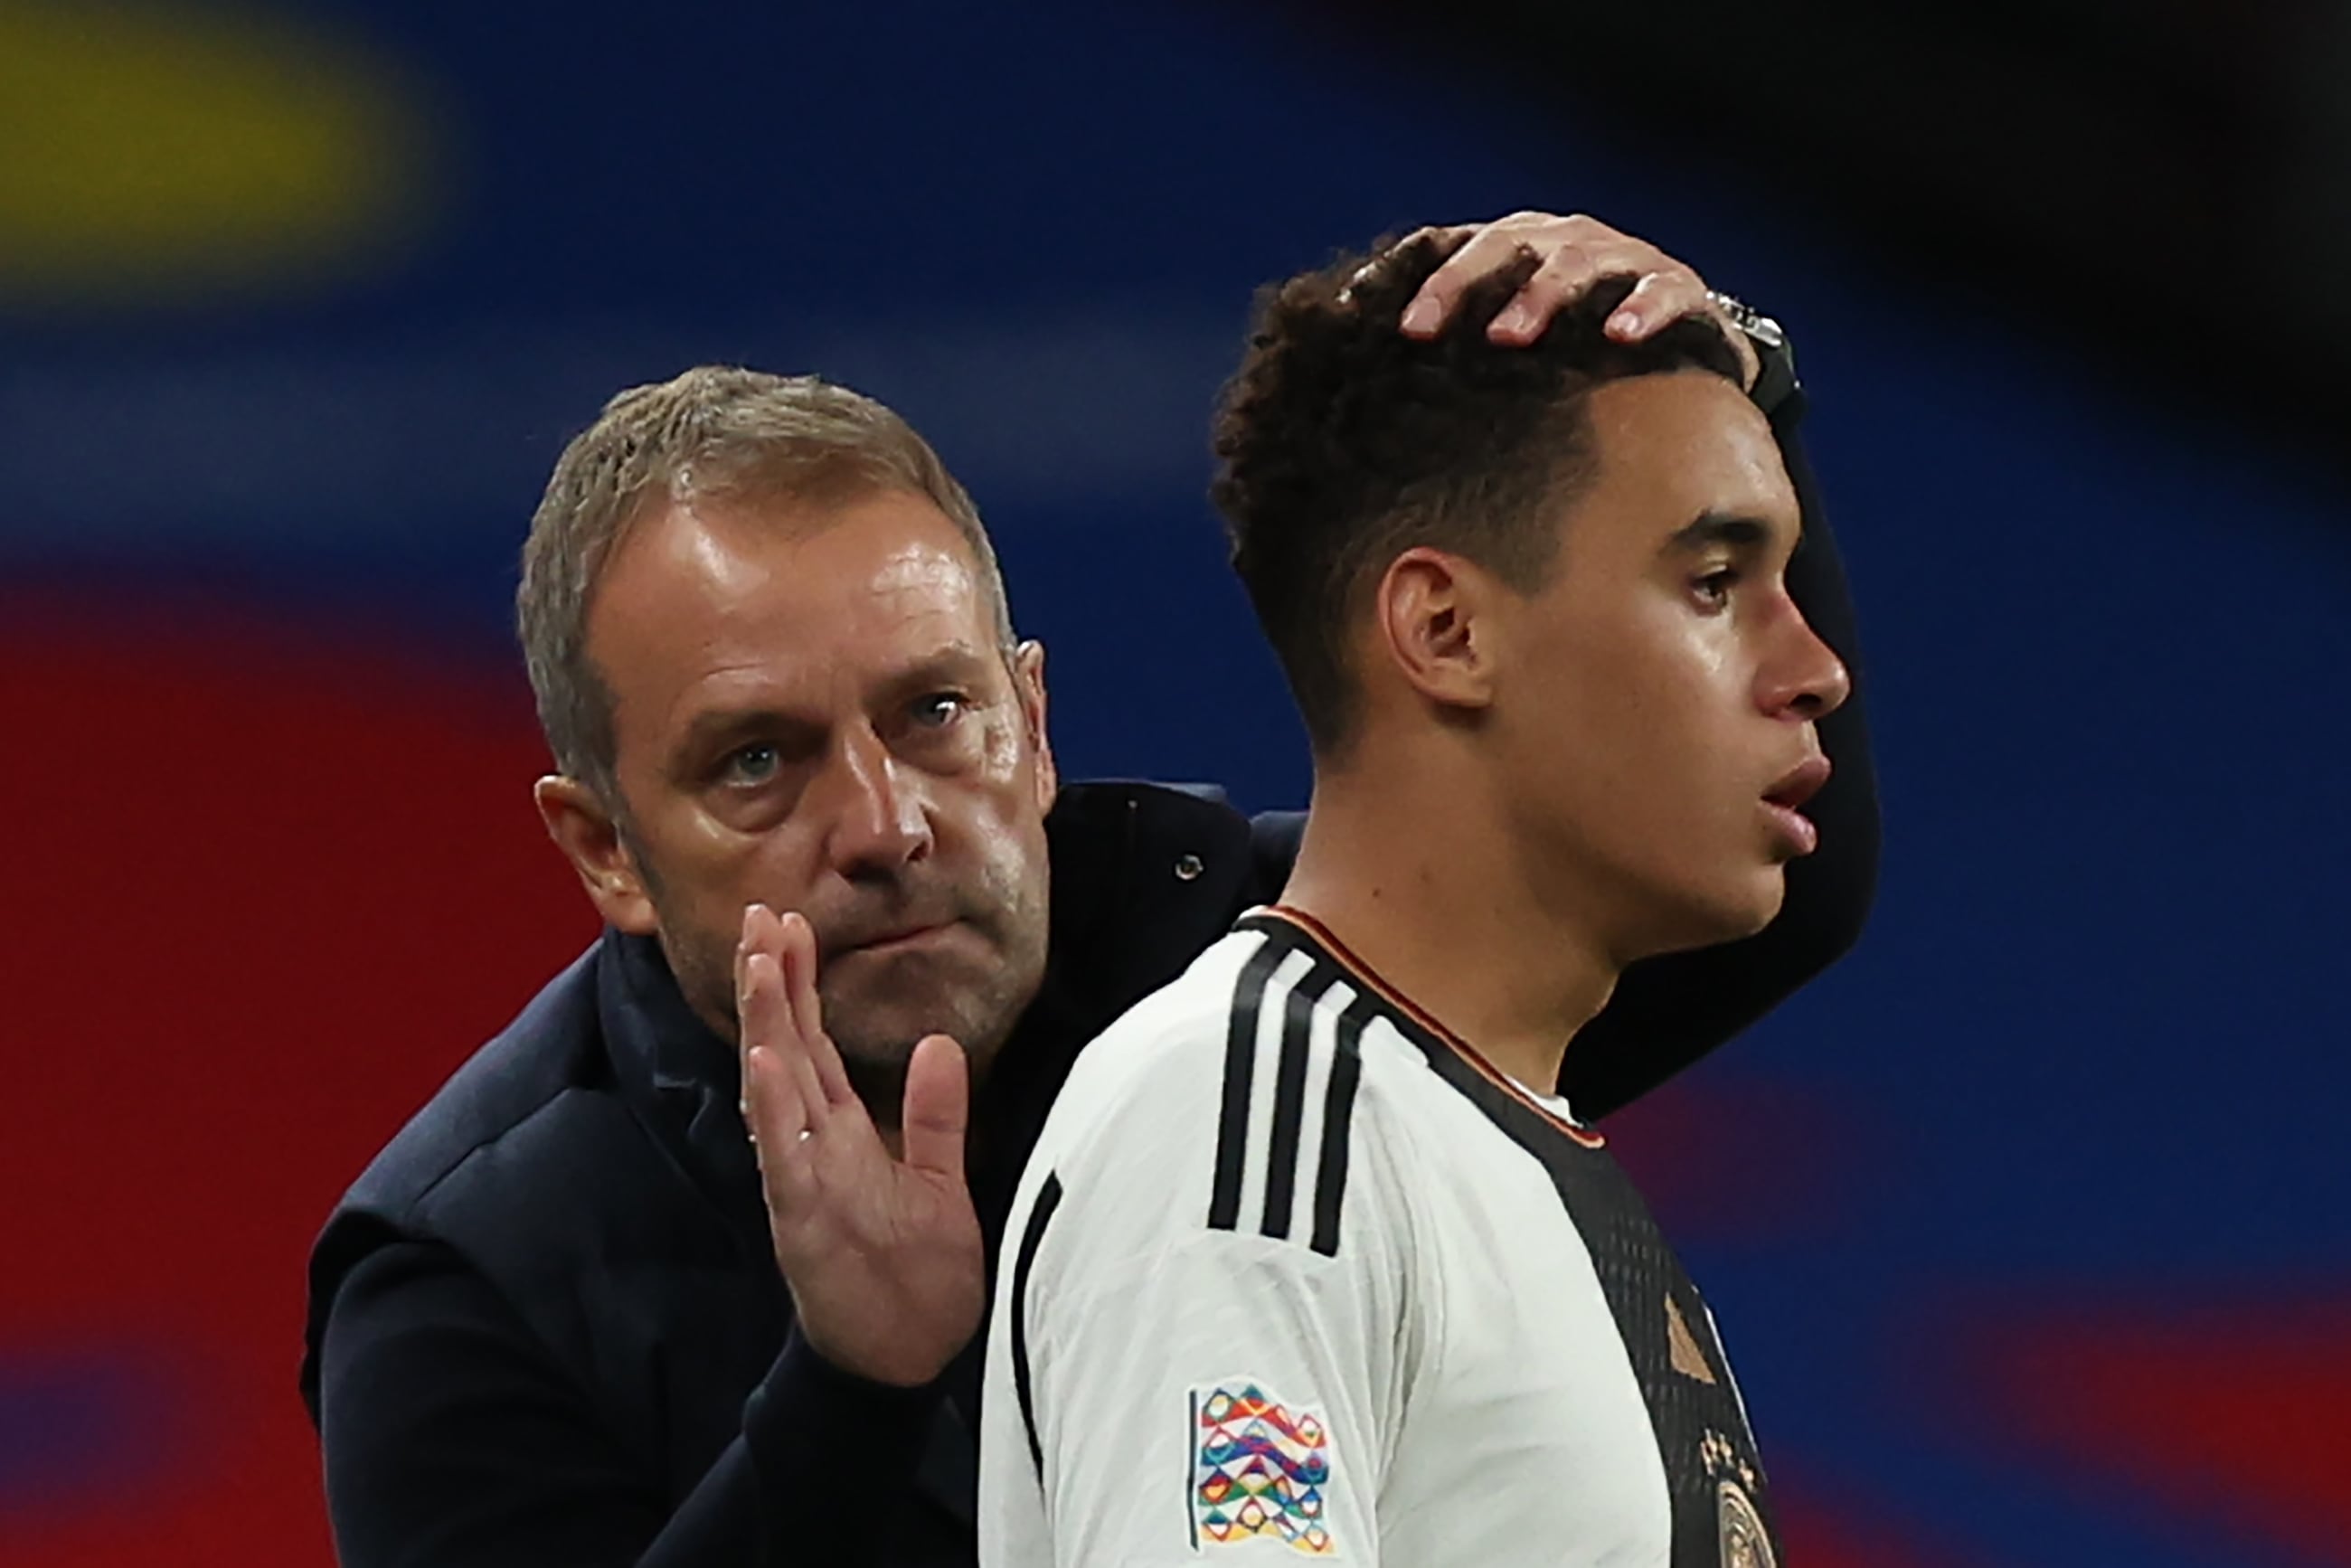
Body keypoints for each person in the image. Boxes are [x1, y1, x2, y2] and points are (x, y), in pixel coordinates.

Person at [300, 214, 1877, 1568]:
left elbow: (1773, 880)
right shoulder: (469, 1280)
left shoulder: (1217, 954)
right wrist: (850, 1393)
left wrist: (1722, 372)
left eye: (933, 714)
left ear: (1034, 722)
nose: (885, 825)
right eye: (759, 761)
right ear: (601, 850)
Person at [975, 235, 1850, 1565]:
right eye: (1716, 584)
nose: (1815, 665)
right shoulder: (1245, 1125)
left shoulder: (1494, 1141)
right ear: (1445, 631)